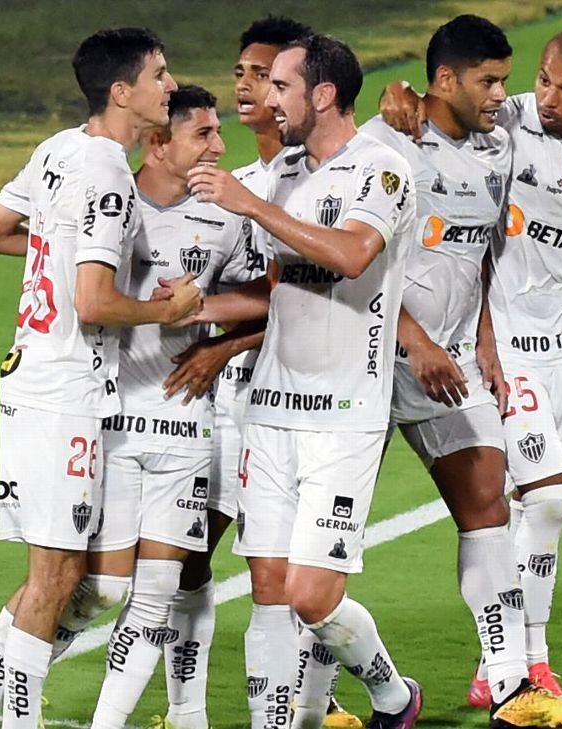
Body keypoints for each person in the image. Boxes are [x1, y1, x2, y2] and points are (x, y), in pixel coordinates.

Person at [379, 27, 562, 704]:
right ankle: (529, 660)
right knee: (550, 499)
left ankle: (497, 663)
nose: (546, 99)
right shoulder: (508, 121)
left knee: (542, 507)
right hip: (507, 341)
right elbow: (441, 103)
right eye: (542, 81)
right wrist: (399, 96)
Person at [0, 28, 199, 729]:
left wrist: (55, 249)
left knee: (55, 577)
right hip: (65, 395)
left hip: (31, 380)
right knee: (56, 579)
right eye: (159, 74)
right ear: (123, 92)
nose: (170, 85)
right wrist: (165, 306)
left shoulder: (57, 149)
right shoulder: (110, 173)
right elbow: (92, 303)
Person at [184, 33, 422, 729]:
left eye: (282, 85)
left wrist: (254, 206)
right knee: (267, 589)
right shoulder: (282, 172)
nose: (267, 96)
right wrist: (186, 306)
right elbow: (270, 280)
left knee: (313, 595)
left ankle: (391, 694)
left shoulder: (380, 171)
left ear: (322, 95)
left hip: (344, 418)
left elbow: (350, 255)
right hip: (272, 412)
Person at [154, 16, 363, 729]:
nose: (251, 88)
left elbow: (309, 295)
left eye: (268, 76)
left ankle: (316, 702)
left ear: (311, 92)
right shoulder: (241, 181)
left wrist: (221, 343)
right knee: (191, 558)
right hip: (226, 405)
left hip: (300, 399)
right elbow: (253, 287)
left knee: (303, 572)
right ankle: (186, 711)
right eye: (244, 73)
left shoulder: (326, 179)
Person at [83, 83, 259, 729]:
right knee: (101, 589)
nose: (219, 145)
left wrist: (206, 317)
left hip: (185, 421)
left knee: (158, 591)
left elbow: (266, 296)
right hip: (108, 423)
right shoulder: (109, 205)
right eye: (204, 134)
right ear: (159, 142)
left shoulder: (225, 216)